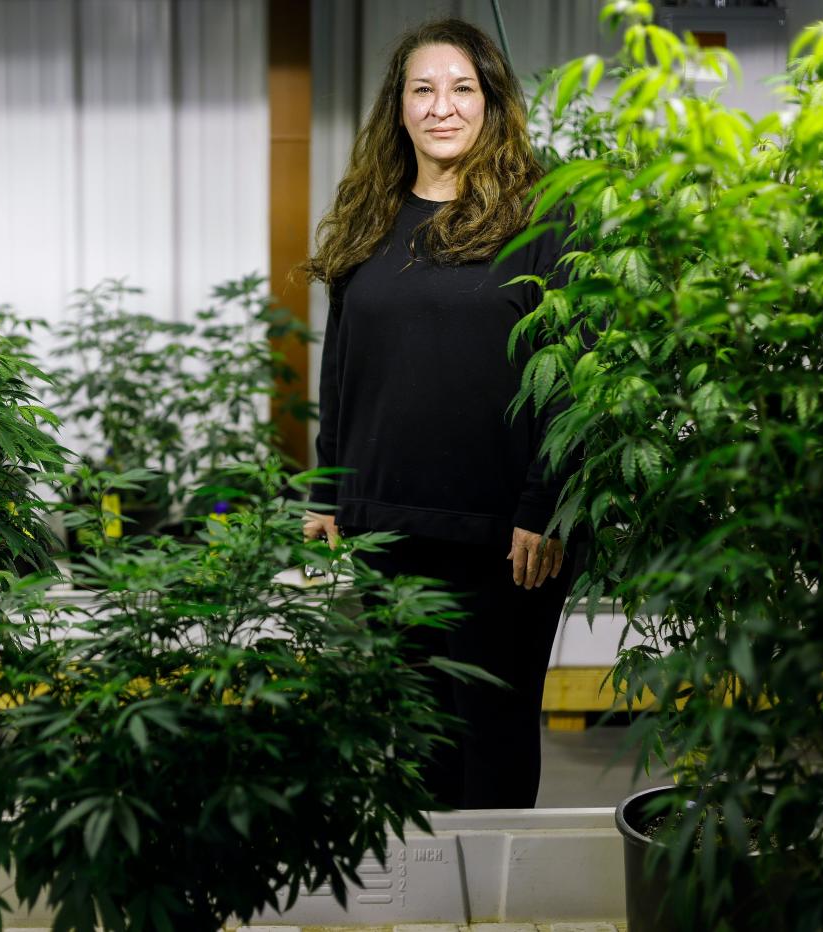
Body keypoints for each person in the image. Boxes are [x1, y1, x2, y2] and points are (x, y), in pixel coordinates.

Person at [301, 18, 579, 810]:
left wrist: (546, 506)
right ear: (399, 107)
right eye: (422, 90)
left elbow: (573, 377)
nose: (441, 107)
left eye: (462, 89)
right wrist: (328, 489)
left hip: (504, 538)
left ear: (493, 102)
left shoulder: (541, 216)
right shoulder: (371, 215)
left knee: (491, 731)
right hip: (389, 521)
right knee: (418, 733)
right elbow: (345, 363)